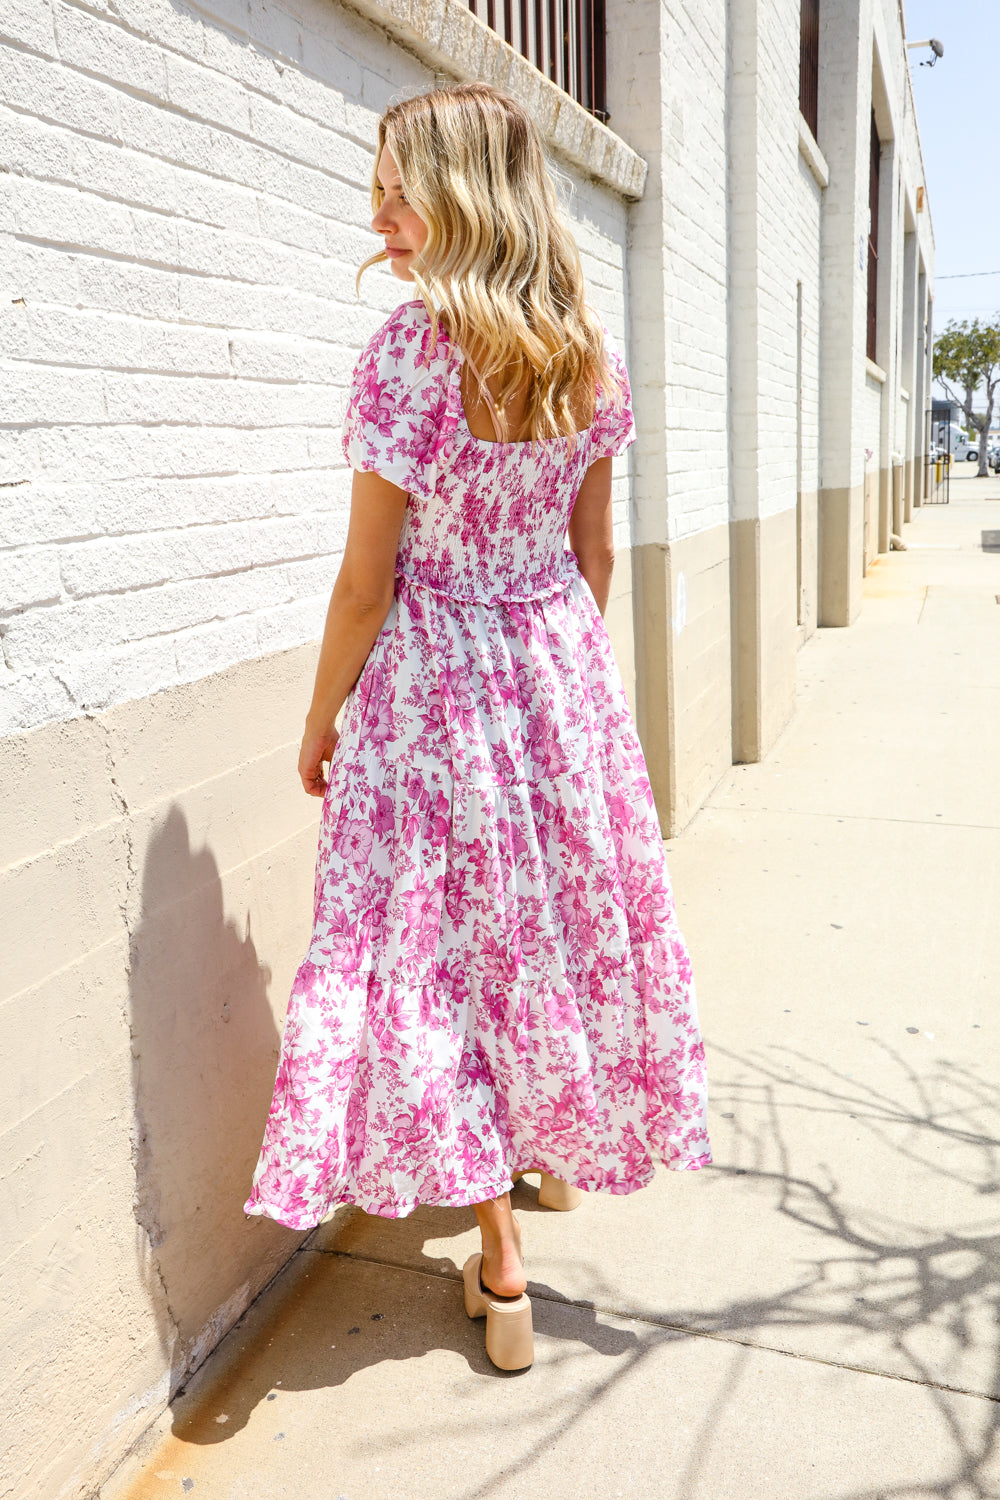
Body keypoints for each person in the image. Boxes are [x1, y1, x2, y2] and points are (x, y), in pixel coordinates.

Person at [244, 82, 711, 1372]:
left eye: (400, 187)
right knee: (542, 932)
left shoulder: (411, 352)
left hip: (433, 686)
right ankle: (547, 1154)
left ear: (466, 196)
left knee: (435, 953)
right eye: (378, 186)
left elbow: (362, 583)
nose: (378, 214)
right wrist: (565, 697)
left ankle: (499, 1266)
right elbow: (595, 553)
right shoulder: (587, 349)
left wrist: (319, 715)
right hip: (554, 670)